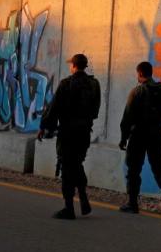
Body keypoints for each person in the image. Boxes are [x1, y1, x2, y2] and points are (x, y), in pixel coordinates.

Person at [37, 53, 101, 220]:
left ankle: (69, 208)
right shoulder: (94, 84)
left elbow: (53, 108)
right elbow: (95, 111)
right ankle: (83, 196)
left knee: (67, 168)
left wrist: (43, 127)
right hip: (84, 133)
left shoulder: (66, 84)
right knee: (77, 164)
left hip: (68, 134)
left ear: (74, 65)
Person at [118, 61, 161, 215]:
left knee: (134, 168)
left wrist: (124, 138)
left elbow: (127, 118)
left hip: (139, 135)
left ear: (140, 74)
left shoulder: (137, 92)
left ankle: (132, 203)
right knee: (159, 165)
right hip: (158, 134)